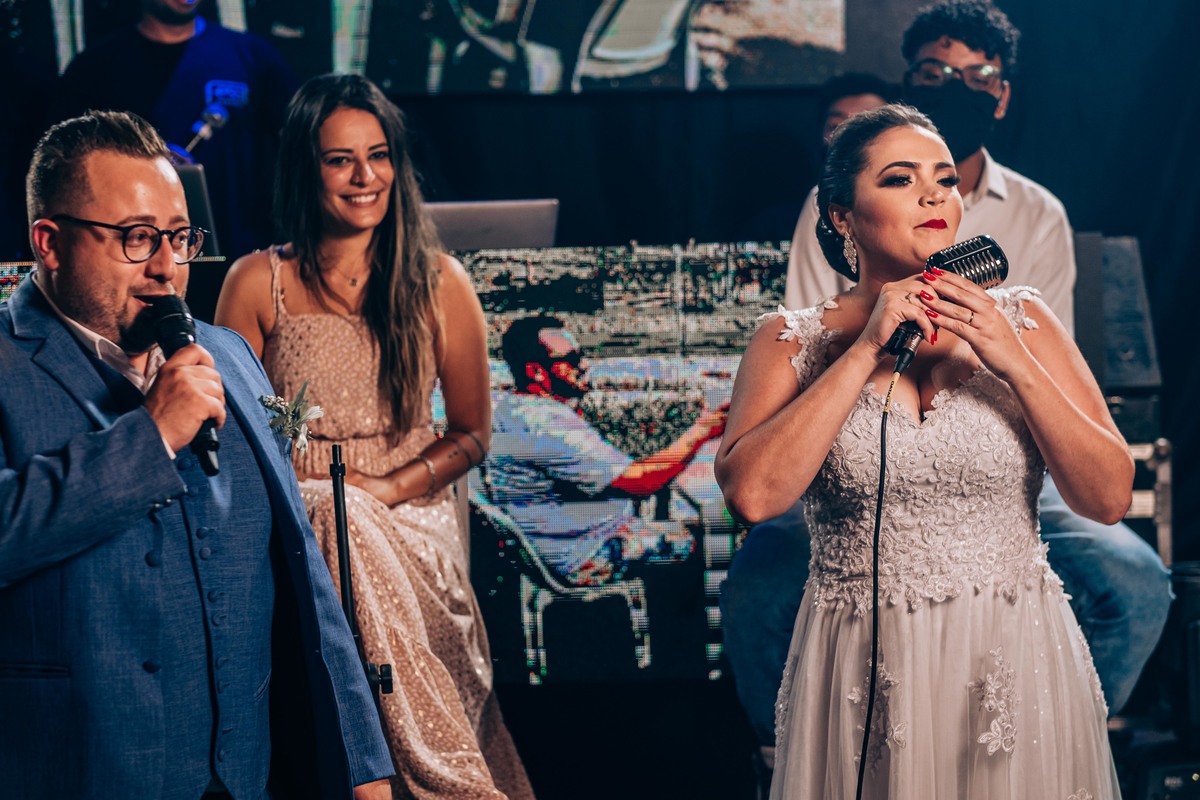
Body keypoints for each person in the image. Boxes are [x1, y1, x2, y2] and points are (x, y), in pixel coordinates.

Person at [719, 1, 1172, 786]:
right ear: (843, 216)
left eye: (943, 181)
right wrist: (865, 348)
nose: (935, 197)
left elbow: (1106, 498)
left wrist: (1014, 360)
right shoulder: (787, 338)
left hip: (1011, 651)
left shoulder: (1024, 317)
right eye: (900, 181)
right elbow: (754, 497)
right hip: (861, 661)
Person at [1, 110, 392, 798]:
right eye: (136, 238)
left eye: (179, 238)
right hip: (78, 773)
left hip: (243, 778)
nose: (166, 267)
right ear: (50, 243)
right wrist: (150, 436)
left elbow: (302, 570)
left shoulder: (228, 354)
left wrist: (364, 763)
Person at [214, 73, 535, 800]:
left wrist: (382, 489)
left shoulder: (440, 281)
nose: (366, 177)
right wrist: (320, 494)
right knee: (329, 511)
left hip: (411, 512)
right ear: (307, 168)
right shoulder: (256, 281)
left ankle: (407, 776)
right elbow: (234, 436)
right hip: (297, 514)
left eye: (379, 155)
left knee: (347, 512)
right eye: (341, 160)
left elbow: (472, 434)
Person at [51, 0, 300, 322]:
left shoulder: (252, 56)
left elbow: (297, 151)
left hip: (235, 260)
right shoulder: (96, 67)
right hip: (134, 274)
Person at [485, 314, 727, 585]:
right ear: (536, 372)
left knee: (690, 529)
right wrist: (702, 431)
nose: (585, 366)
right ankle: (693, 613)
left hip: (557, 547)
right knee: (706, 540)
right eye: (572, 359)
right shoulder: (545, 423)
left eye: (582, 355)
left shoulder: (514, 410)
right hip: (583, 554)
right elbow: (641, 482)